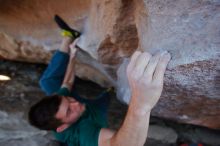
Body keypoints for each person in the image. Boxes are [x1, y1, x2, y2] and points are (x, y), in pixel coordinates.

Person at [28, 15, 171, 146]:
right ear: (62, 127)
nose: (75, 103)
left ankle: (69, 37)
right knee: (103, 101)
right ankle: (109, 91)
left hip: (79, 111)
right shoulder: (84, 132)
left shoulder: (62, 104)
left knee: (47, 83)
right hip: (93, 114)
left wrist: (72, 56)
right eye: (69, 111)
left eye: (68, 99)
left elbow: (67, 83)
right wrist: (140, 104)